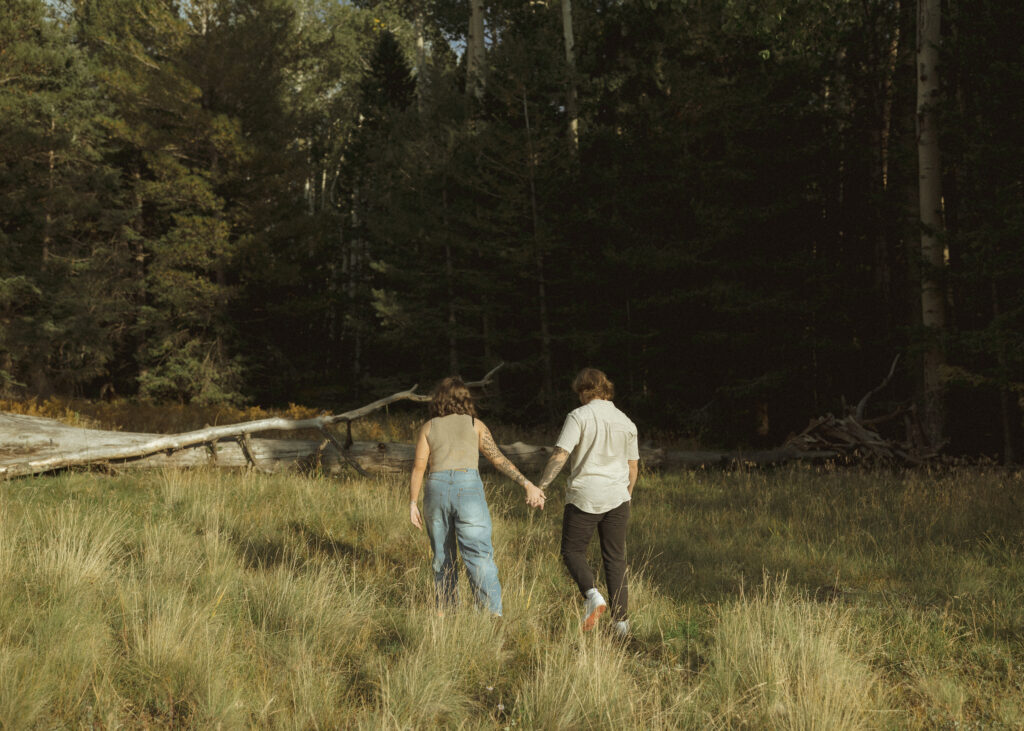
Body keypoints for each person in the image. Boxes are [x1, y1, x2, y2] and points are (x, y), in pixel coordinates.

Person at [409, 376, 545, 616]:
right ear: (465, 399)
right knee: (478, 554)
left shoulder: (428, 427)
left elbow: (419, 468)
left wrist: (412, 503)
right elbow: (498, 459)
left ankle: (446, 613)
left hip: (436, 488)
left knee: (442, 555)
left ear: (439, 399)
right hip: (468, 488)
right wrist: (527, 483)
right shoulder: (476, 425)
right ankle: (491, 612)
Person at [536, 368, 639, 636]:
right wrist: (627, 495)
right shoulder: (626, 421)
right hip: (618, 497)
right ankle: (622, 626)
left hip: (585, 495)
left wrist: (541, 486)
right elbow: (633, 467)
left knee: (572, 552)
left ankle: (592, 596)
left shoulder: (578, 416)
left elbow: (560, 454)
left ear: (584, 391)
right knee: (615, 559)